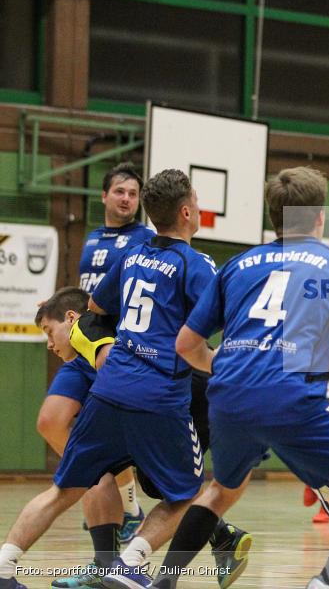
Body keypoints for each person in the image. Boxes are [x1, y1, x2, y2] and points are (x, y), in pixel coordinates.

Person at [147, 166, 329, 589]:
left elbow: (185, 346)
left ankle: (164, 583)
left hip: (228, 398)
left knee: (221, 490)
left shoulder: (238, 264)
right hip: (291, 398)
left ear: (272, 215)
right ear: (319, 216)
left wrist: (224, 367)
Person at [0, 169, 224, 589]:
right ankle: (129, 562)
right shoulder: (197, 265)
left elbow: (92, 312)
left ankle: (4, 567)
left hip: (108, 389)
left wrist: (110, 349)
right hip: (158, 397)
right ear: (187, 211)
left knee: (63, 490)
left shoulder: (131, 257)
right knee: (189, 495)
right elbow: (217, 326)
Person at [34, 287, 251, 589]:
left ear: (70, 317)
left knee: (174, 487)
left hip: (194, 394)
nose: (47, 343)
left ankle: (182, 555)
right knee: (153, 482)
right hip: (140, 386)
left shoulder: (99, 323)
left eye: (48, 331)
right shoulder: (90, 329)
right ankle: (121, 560)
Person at [38, 162, 155, 547]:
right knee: (51, 421)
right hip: (84, 346)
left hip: (115, 349)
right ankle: (126, 503)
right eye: (120, 191)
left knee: (114, 441)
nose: (126, 199)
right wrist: (57, 308)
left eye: (133, 194)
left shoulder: (145, 238)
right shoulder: (92, 238)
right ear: (104, 196)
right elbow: (85, 295)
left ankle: (124, 505)